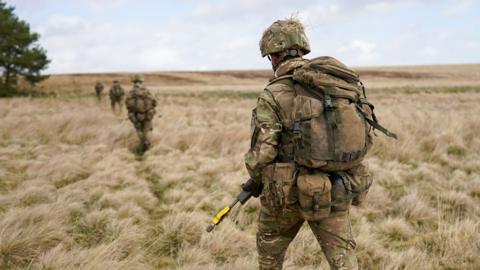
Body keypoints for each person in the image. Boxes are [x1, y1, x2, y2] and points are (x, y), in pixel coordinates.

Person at [241, 18, 396, 270]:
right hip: (334, 187)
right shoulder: (335, 85)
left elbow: (263, 153)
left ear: (273, 56)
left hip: (284, 195)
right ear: (302, 49)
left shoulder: (272, 94)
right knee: (343, 259)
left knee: (270, 254)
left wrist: (256, 177)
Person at [125, 75, 157, 153]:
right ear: (141, 82)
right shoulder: (147, 91)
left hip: (136, 116)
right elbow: (155, 103)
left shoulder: (131, 92)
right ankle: (146, 146)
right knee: (147, 131)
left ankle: (143, 145)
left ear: (133, 82)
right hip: (147, 115)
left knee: (139, 131)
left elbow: (127, 105)